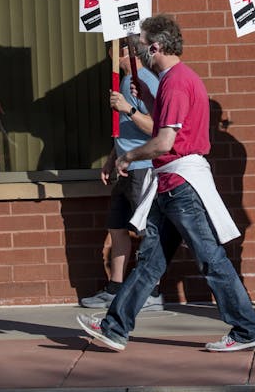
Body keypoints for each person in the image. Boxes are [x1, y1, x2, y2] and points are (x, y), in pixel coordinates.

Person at [76, 14, 255, 352]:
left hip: (180, 185)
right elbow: (170, 125)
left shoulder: (177, 82)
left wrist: (127, 157)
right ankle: (115, 327)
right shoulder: (174, 81)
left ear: (157, 46)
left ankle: (247, 329)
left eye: (143, 46)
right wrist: (147, 96)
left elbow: (165, 142)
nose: (140, 51)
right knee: (150, 262)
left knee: (209, 259)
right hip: (172, 184)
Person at [80, 38, 162, 311]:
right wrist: (111, 158)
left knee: (147, 231)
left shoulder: (144, 81)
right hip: (124, 167)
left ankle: (152, 291)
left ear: (132, 52)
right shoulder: (125, 82)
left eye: (118, 49)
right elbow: (125, 130)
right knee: (117, 228)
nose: (112, 54)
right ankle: (115, 288)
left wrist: (128, 108)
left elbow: (156, 129)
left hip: (143, 167)